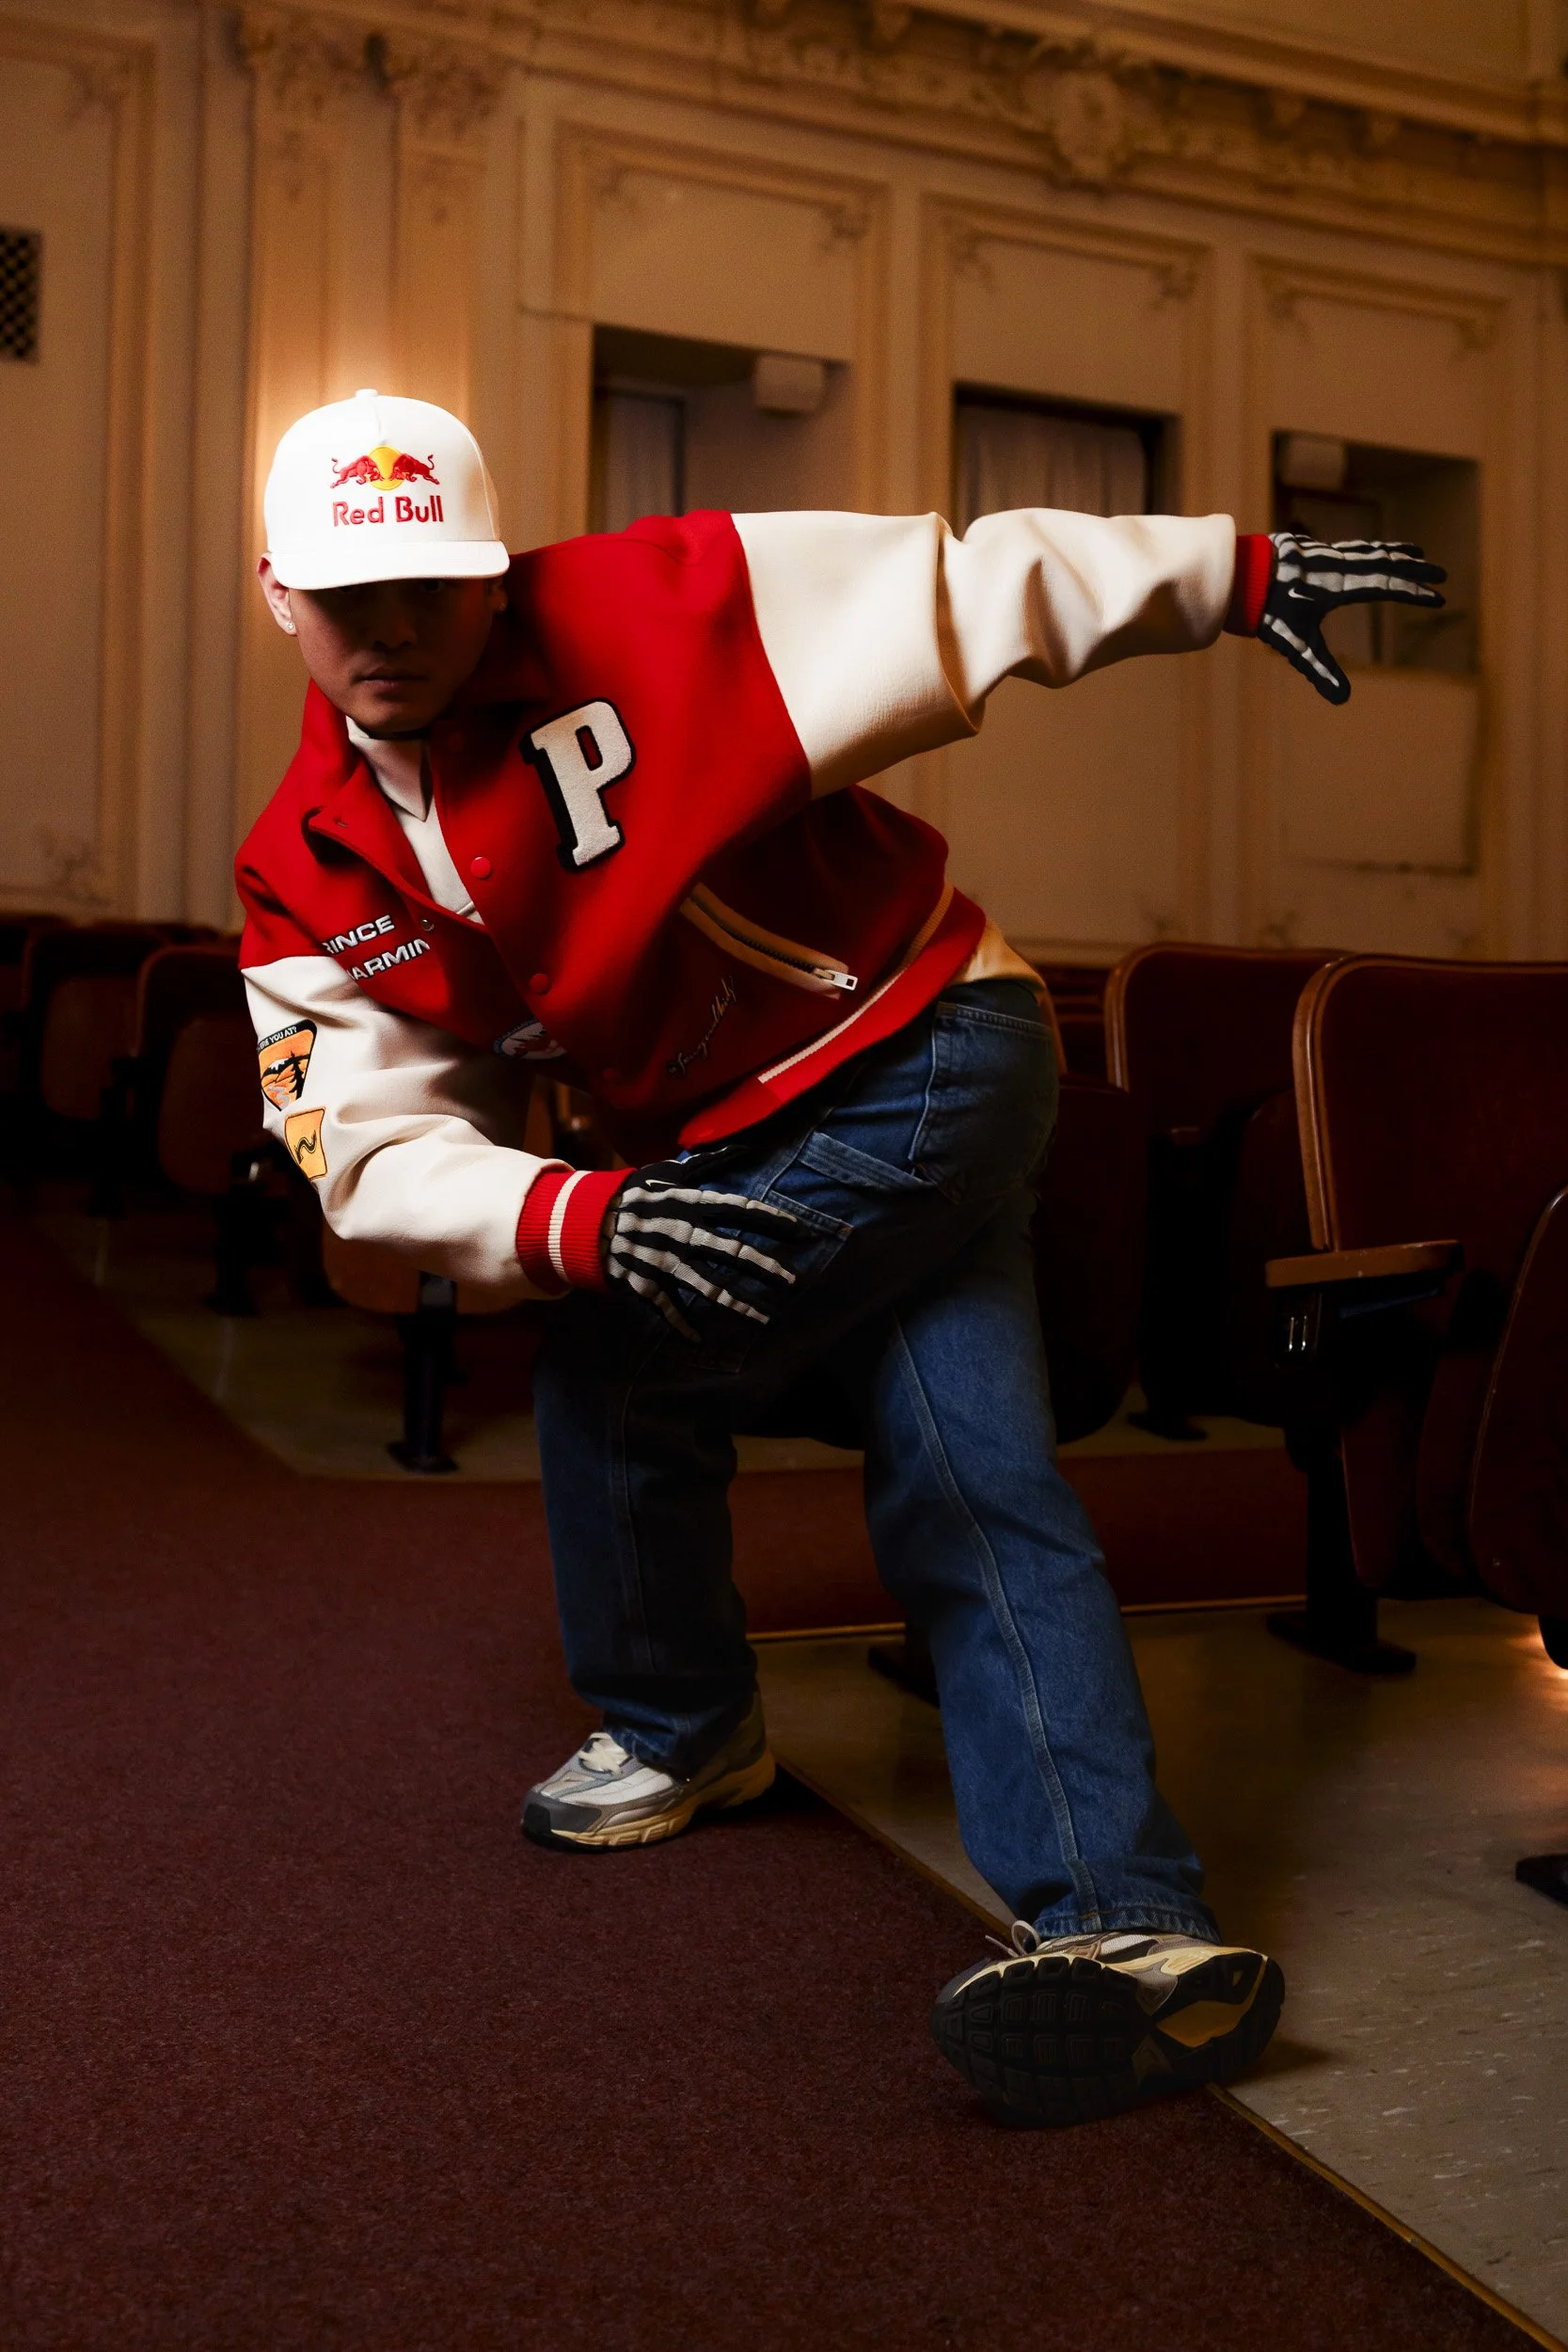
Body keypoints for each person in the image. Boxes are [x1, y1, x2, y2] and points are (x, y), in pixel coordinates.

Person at [238, 387, 1444, 2126]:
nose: (392, 628)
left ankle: (680, 1723)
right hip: (702, 1139)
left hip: (927, 1051)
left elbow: (960, 588)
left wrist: (1227, 573)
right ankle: (1126, 1931)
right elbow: (351, 1141)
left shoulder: (661, 603)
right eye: (348, 596)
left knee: (615, 1359)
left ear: (494, 576)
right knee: (967, 1473)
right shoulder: (299, 868)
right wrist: (564, 1210)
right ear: (280, 593)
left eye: (431, 582)